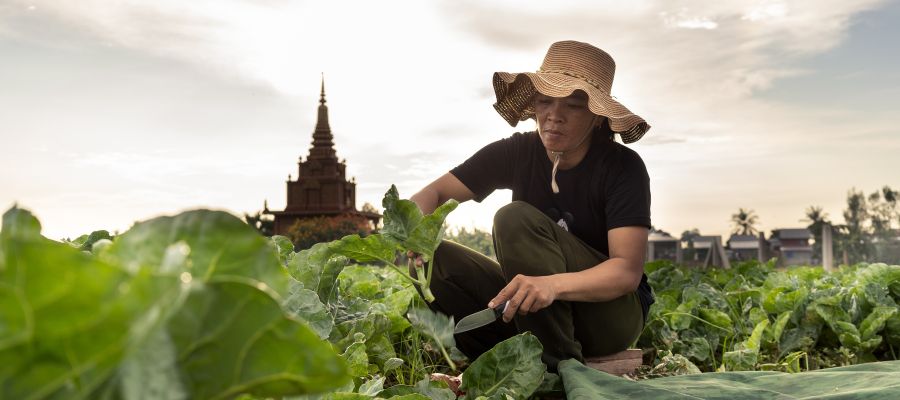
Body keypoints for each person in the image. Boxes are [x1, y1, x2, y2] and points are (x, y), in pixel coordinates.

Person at [409, 40, 654, 371]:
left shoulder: (622, 167)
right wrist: (413, 236)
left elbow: (626, 271)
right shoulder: (518, 152)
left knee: (514, 218)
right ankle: (503, 358)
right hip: (537, 310)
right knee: (436, 261)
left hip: (609, 314)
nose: (554, 116)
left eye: (573, 105)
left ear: (597, 117)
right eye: (545, 101)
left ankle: (557, 366)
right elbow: (432, 195)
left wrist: (552, 286)